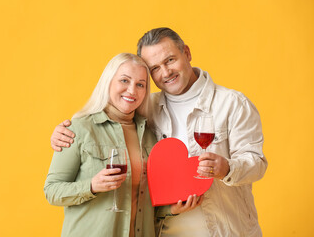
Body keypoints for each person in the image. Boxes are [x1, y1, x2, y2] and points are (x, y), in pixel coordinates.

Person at [50, 28, 268, 236]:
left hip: (225, 231)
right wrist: (66, 132)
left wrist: (227, 167)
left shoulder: (232, 103)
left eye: (170, 60)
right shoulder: (145, 108)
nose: (165, 72)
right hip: (164, 232)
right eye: (154, 68)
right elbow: (104, 126)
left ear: (187, 53)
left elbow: (256, 162)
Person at [44, 53, 200, 237]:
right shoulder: (79, 128)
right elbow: (52, 191)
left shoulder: (149, 135)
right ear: (108, 82)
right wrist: (92, 186)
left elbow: (143, 204)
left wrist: (171, 209)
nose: (132, 91)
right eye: (124, 81)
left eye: (140, 84)